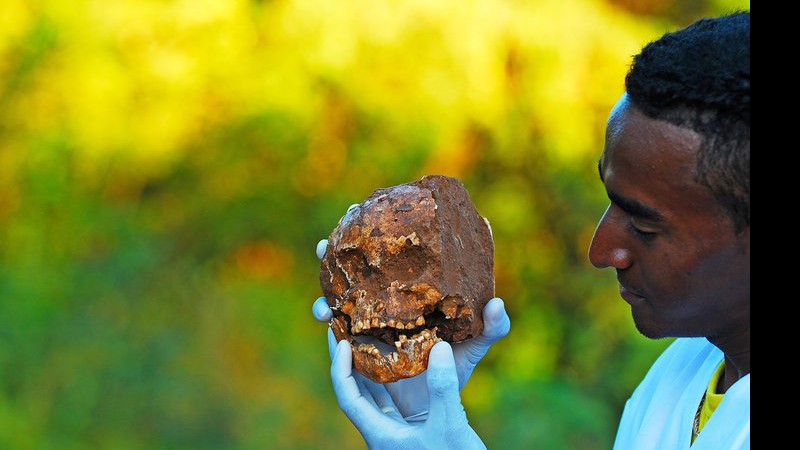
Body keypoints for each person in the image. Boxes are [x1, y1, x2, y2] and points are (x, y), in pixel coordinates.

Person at [311, 10, 749, 449]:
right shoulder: (680, 377)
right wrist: (424, 416)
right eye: (610, 200)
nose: (600, 250)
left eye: (643, 224)